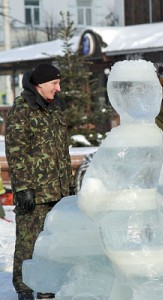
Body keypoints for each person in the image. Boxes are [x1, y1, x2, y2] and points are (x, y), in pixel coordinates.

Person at [6, 64, 74, 300]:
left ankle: (47, 285)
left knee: (53, 244)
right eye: (54, 83)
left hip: (58, 192)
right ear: (40, 84)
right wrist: (24, 188)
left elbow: (62, 152)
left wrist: (70, 184)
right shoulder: (22, 109)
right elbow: (16, 152)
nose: (58, 88)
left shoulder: (55, 108)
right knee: (28, 243)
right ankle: (24, 289)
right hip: (34, 193)